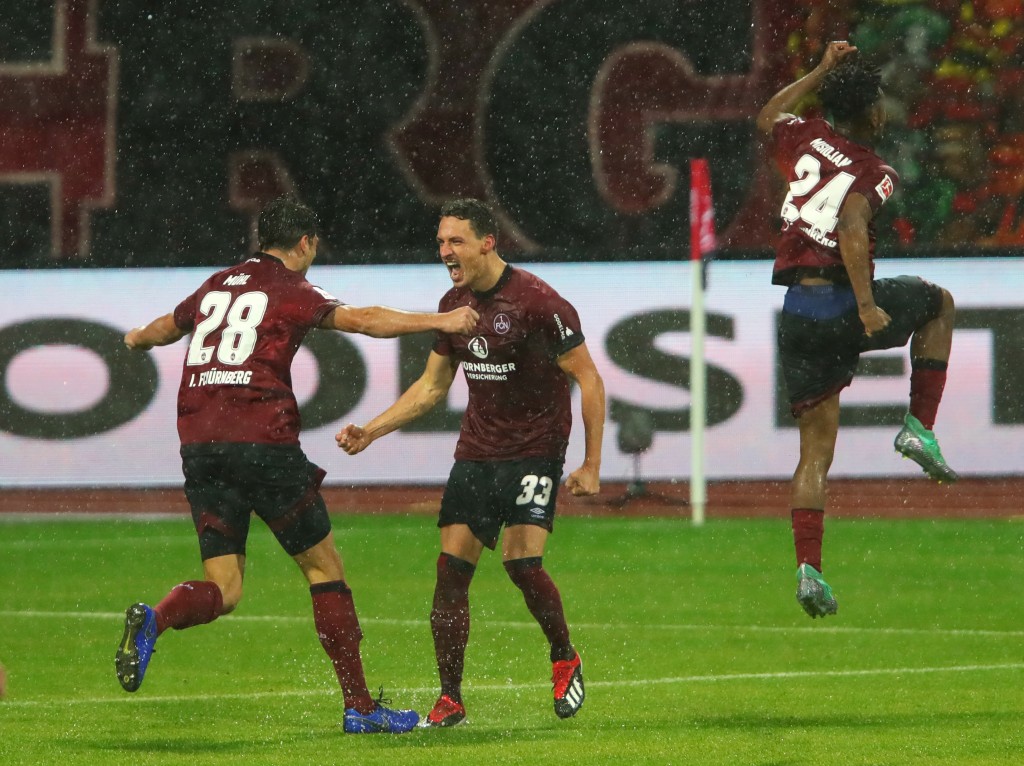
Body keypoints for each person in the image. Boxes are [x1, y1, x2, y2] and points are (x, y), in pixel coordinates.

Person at [115, 194, 479, 734]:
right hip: (263, 444)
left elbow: (162, 329)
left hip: (200, 446)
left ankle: (158, 618)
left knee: (226, 588)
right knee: (323, 569)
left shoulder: (217, 284)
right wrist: (440, 319)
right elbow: (365, 320)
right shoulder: (291, 289)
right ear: (305, 243)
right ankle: (360, 708)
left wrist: (133, 339)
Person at [337, 198, 605, 726]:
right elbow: (432, 387)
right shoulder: (452, 304)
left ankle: (563, 656)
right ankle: (452, 696)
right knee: (450, 573)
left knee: (521, 564)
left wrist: (591, 464)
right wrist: (370, 431)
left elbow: (588, 378)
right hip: (477, 452)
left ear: (488, 241)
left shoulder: (538, 302)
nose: (444, 251)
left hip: (536, 449)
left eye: (455, 241)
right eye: (440, 242)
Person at [756, 42, 958, 619]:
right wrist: (867, 305)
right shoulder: (877, 171)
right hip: (844, 305)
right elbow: (849, 221)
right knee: (939, 303)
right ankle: (919, 425)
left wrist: (817, 70)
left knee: (814, 455)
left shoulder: (802, 136)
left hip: (797, 314)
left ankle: (809, 569)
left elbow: (767, 115)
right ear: (873, 113)